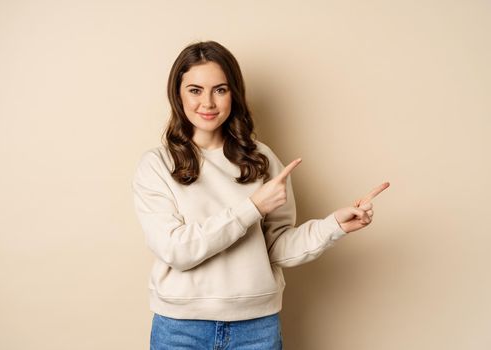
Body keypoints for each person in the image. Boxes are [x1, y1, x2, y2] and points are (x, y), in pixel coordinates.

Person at [132, 40, 390, 349]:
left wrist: (333, 226)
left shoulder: (260, 158)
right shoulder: (157, 165)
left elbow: (276, 247)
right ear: (178, 94)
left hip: (256, 329)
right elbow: (177, 251)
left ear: (234, 94)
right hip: (180, 329)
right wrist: (251, 207)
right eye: (195, 90)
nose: (208, 103)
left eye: (220, 89)